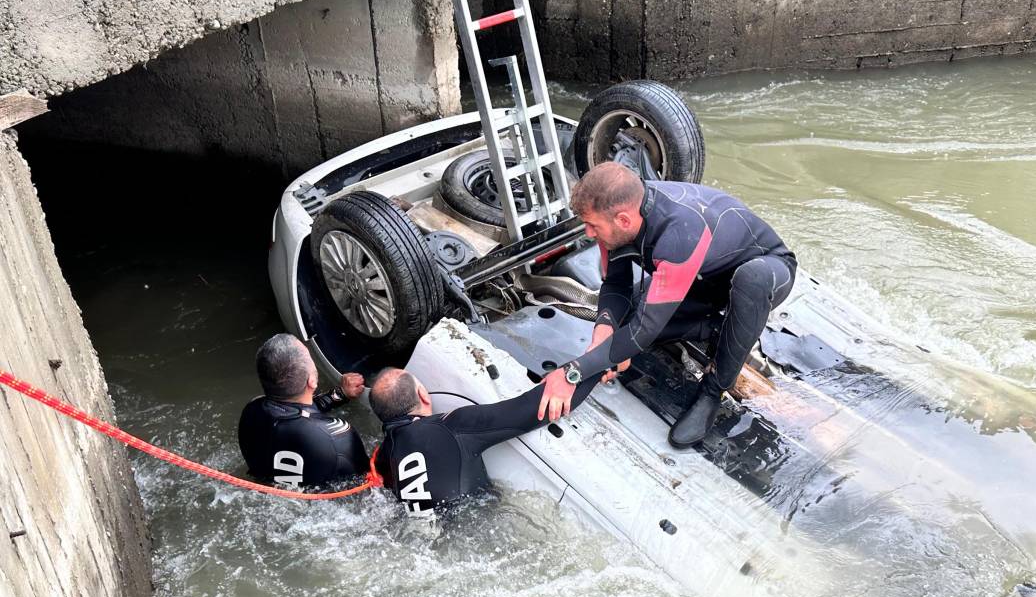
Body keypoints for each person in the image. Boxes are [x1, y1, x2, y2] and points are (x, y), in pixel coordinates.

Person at [540, 162, 797, 447]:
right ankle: (713, 329)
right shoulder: (615, 218)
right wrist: (602, 335)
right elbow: (615, 285)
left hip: (765, 271)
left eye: (592, 226)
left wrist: (573, 372)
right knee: (624, 322)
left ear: (624, 220)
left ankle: (713, 390)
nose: (588, 233)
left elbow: (644, 331)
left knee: (752, 279)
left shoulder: (678, 234)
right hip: (699, 280)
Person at [369, 367, 599, 516]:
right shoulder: (453, 426)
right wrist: (591, 369)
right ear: (423, 395)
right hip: (479, 536)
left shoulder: (381, 459)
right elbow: (537, 408)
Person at [238, 333, 370, 489]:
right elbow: (370, 487)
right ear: (312, 381)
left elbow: (297, 411)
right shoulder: (337, 435)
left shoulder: (252, 411)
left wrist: (339, 394)